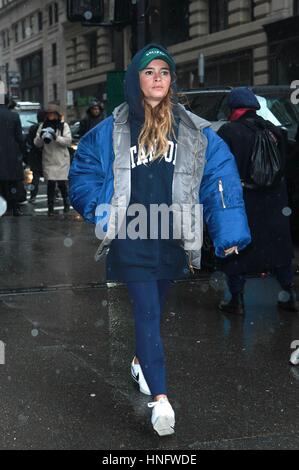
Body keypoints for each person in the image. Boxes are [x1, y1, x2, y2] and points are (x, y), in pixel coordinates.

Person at [69, 44, 251, 436]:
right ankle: (162, 401)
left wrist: (229, 231)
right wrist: (101, 213)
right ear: (136, 79)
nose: (157, 78)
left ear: (171, 81)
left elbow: (220, 178)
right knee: (148, 313)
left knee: (157, 307)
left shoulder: (193, 130)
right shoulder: (110, 130)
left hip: (171, 234)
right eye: (149, 71)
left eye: (164, 72)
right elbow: (82, 174)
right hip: (131, 233)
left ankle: (139, 362)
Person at [217, 87, 297, 315]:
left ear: (234, 109)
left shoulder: (229, 132)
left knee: (237, 249)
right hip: (274, 203)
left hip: (244, 202)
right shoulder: (274, 131)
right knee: (278, 251)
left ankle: (236, 300)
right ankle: (289, 295)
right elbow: (285, 165)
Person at [34, 103, 72, 216]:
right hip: (49, 159)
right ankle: (50, 207)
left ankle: (66, 202)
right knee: (50, 183)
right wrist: (41, 136)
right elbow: (37, 143)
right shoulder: (43, 126)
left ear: (57, 114)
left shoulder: (63, 126)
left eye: (52, 113)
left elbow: (68, 141)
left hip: (61, 159)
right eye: (49, 113)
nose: (50, 116)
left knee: (61, 183)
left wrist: (56, 137)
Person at [0, 94, 26, 216]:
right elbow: (19, 138)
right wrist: (24, 153)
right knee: (13, 182)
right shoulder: (14, 116)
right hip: (11, 154)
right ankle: (15, 208)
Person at [26, 109, 46, 203]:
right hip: (46, 155)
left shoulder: (32, 128)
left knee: (36, 177)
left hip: (35, 155)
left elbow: (29, 142)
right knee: (51, 177)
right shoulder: (48, 127)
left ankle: (33, 196)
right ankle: (56, 194)